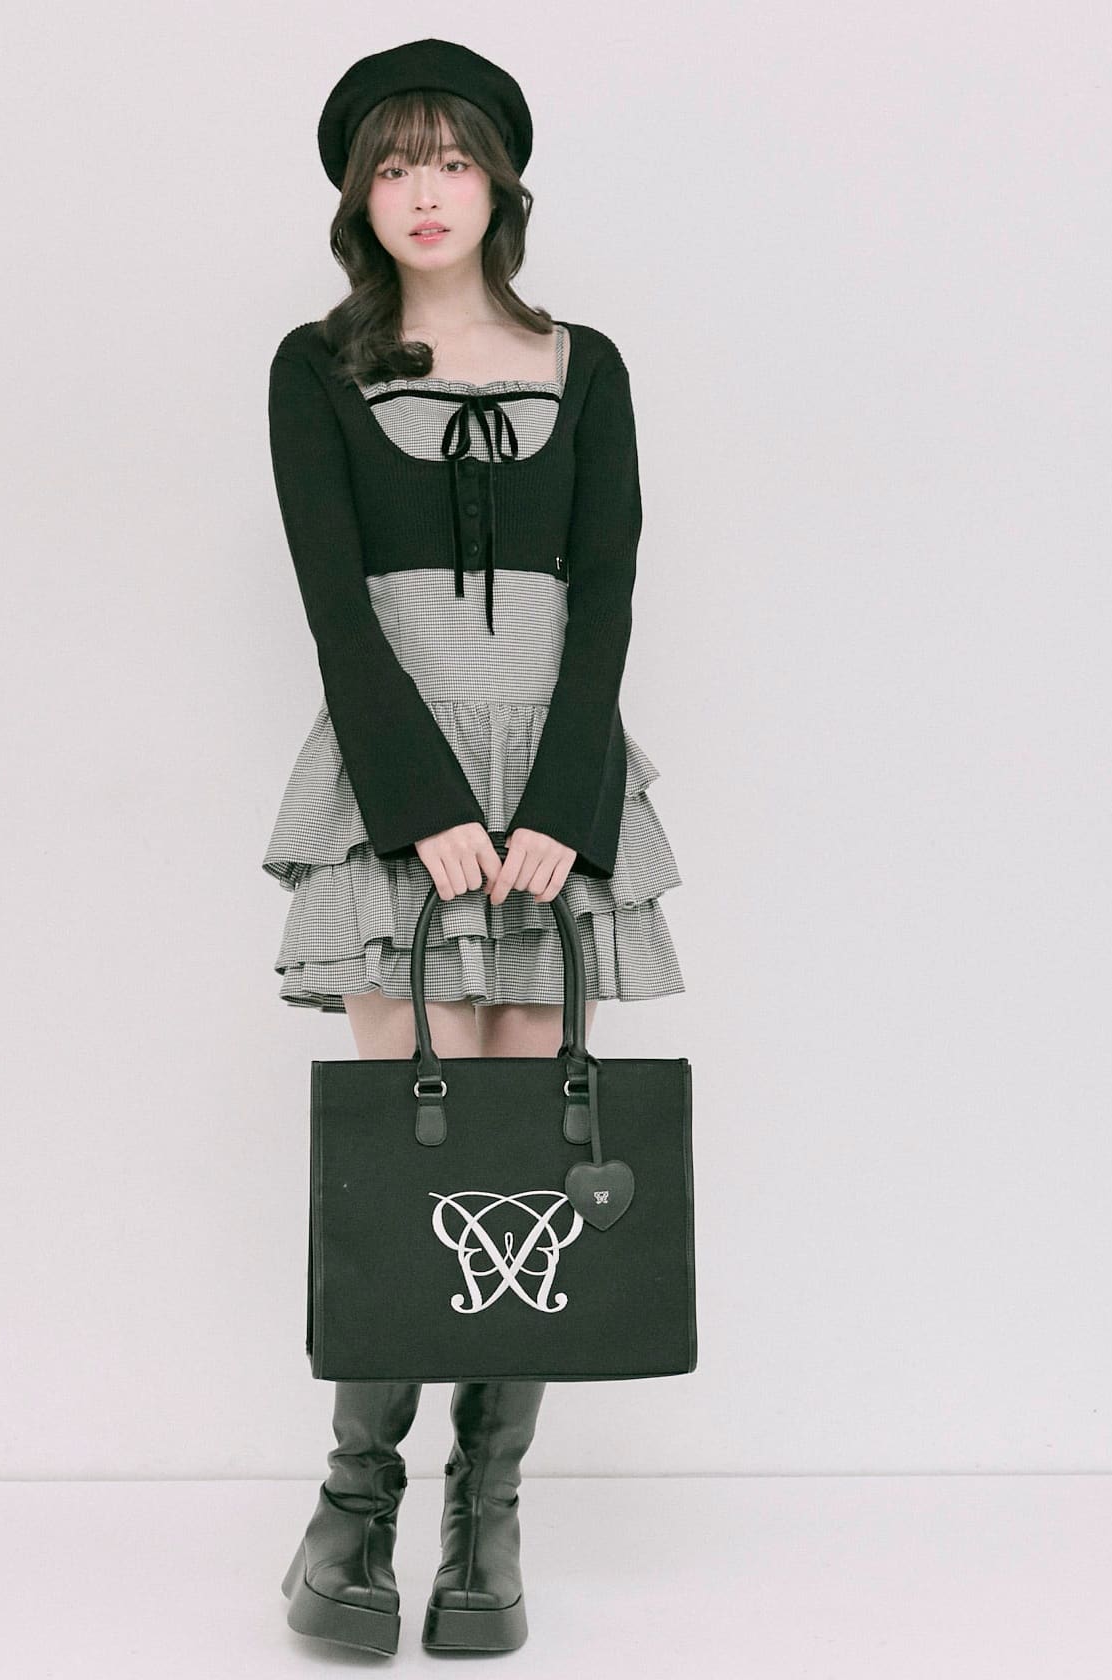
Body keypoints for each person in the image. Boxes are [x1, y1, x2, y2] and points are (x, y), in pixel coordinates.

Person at [263, 38, 685, 1656]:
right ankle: (352, 1511)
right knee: (411, 1139)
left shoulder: (590, 364)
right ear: (358, 196)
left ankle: (484, 1522)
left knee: (529, 1159)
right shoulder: (317, 368)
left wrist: (562, 808)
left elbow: (612, 590)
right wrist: (421, 802)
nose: (423, 192)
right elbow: (332, 605)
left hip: (553, 787)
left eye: (448, 161)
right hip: (402, 784)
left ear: (499, 183)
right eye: (392, 166)